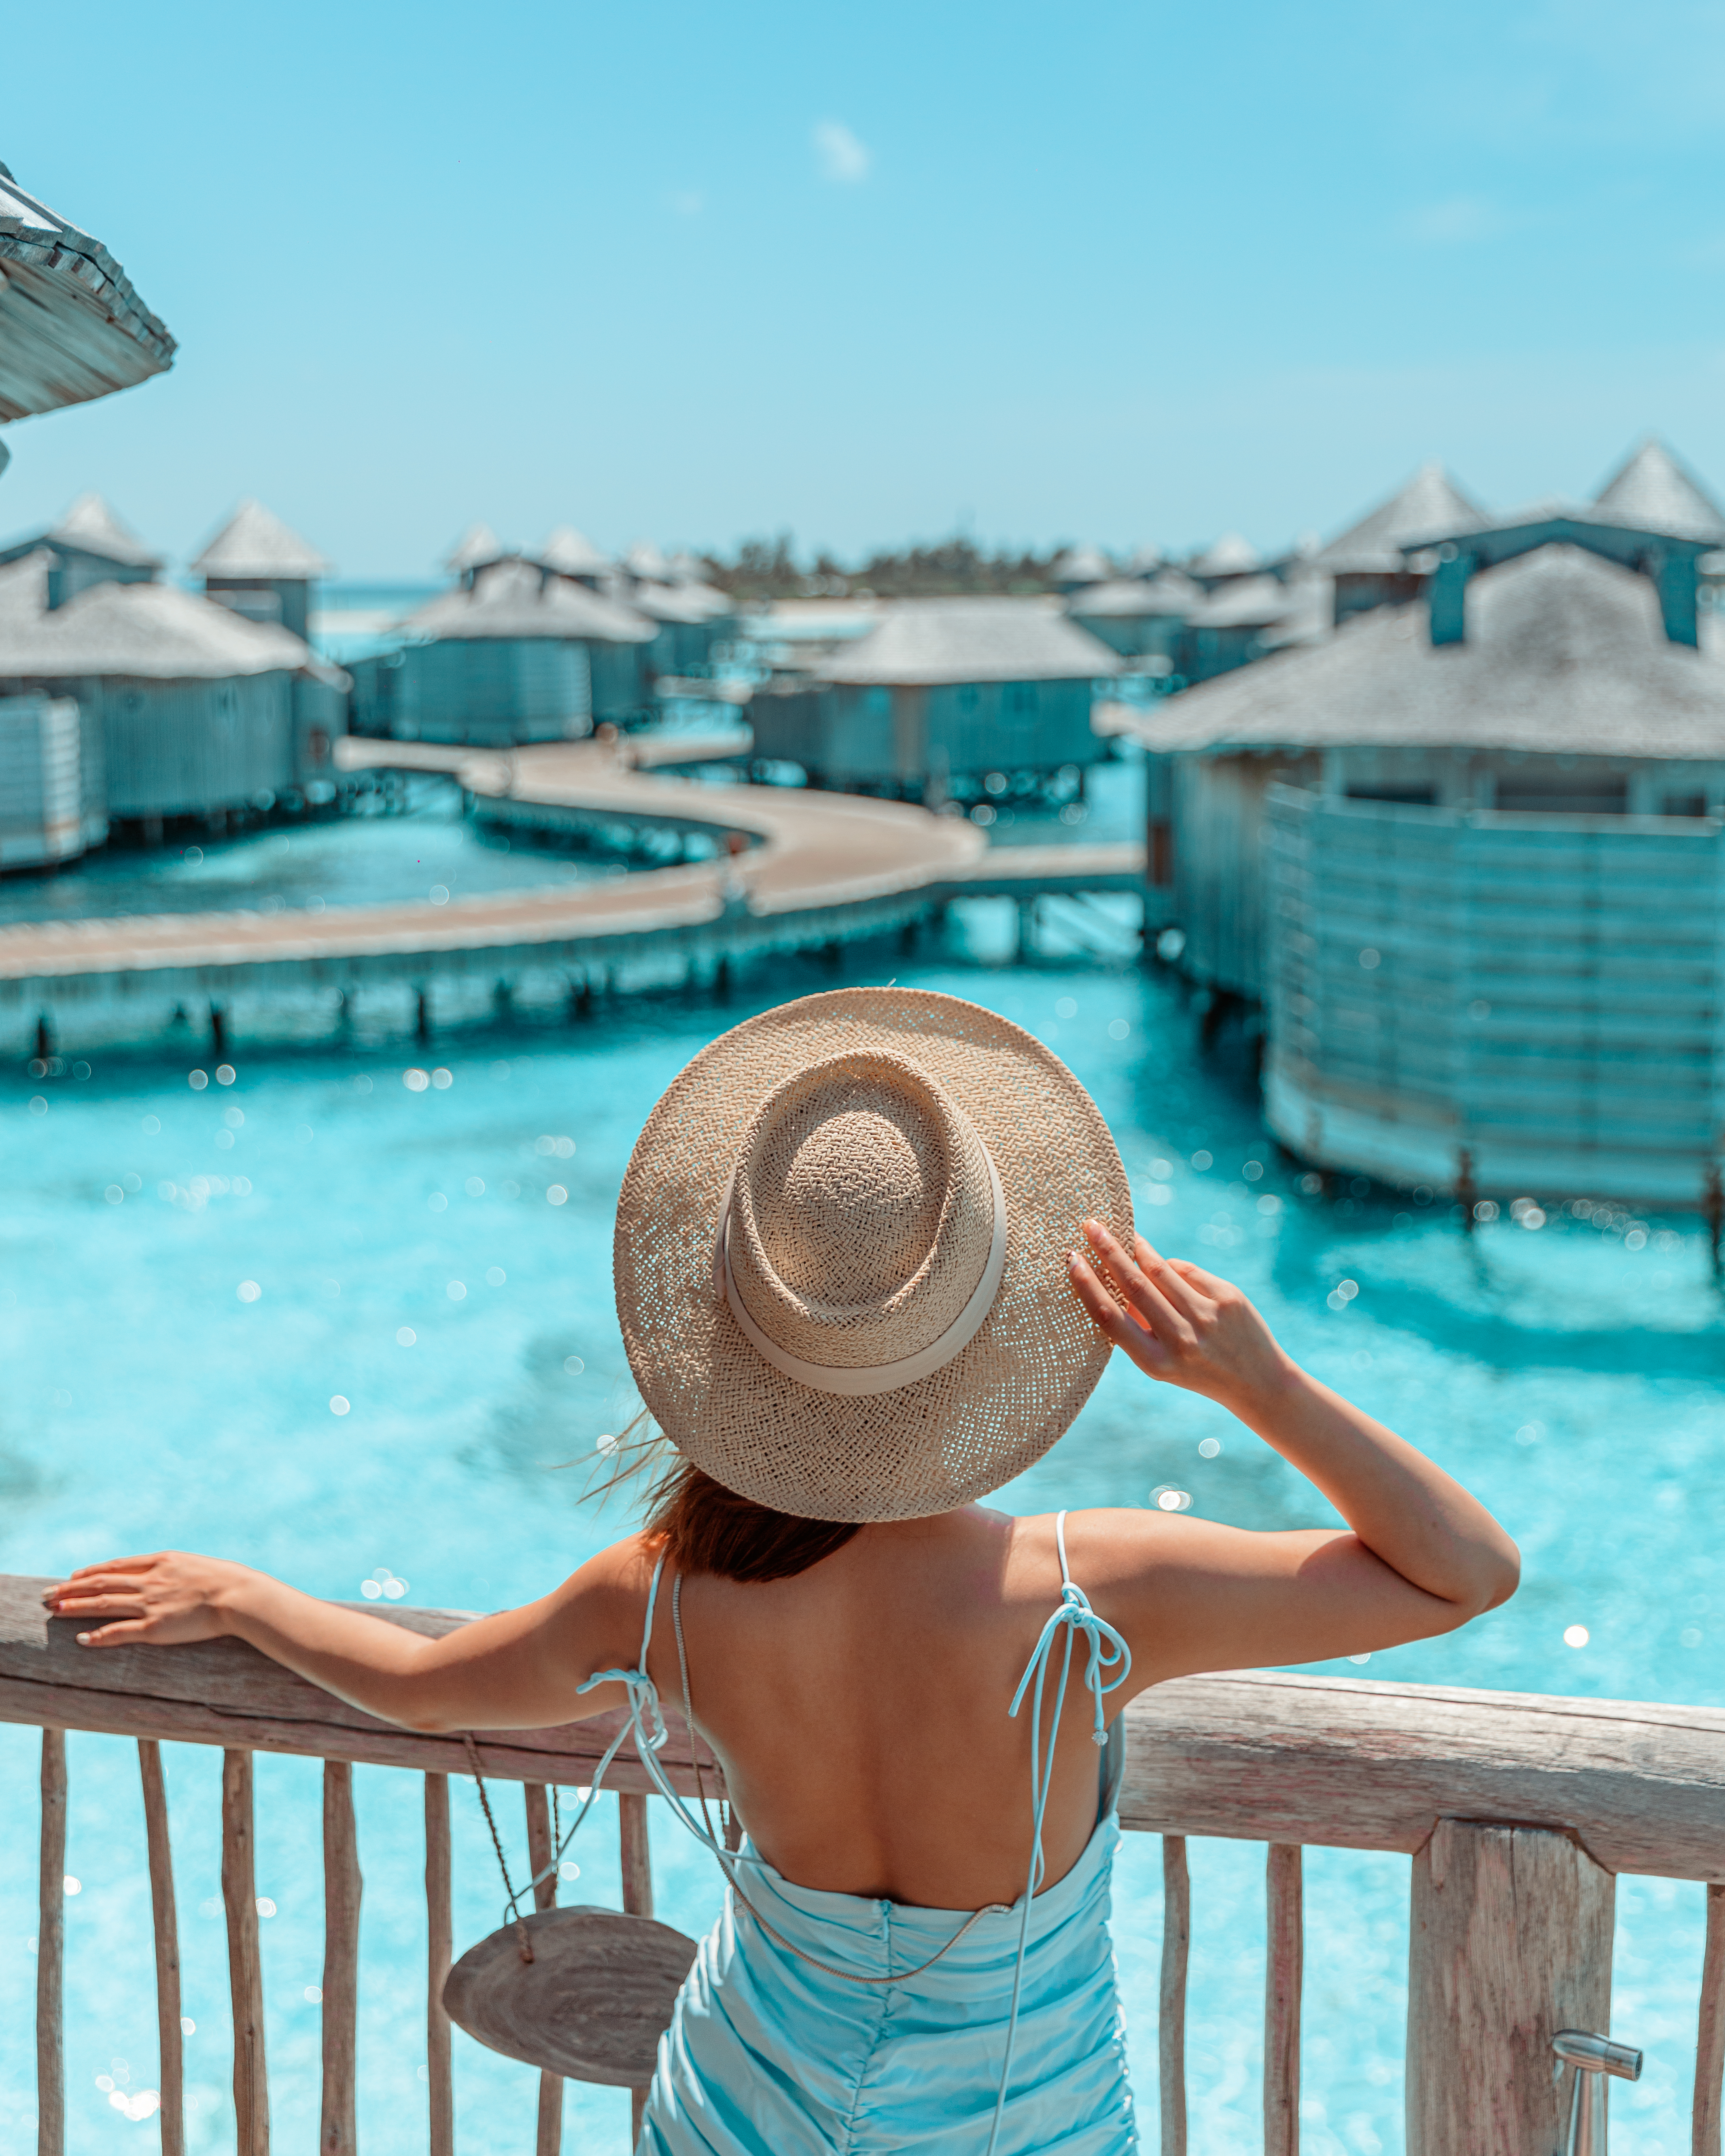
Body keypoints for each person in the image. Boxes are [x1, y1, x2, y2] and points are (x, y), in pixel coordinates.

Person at [44, 988, 1518, 2156]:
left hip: (734, 2113)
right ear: (994, 1334)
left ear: (746, 1353)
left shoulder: (673, 1592)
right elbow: (1463, 1571)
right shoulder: (1089, 1599)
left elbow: (428, 1685)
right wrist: (1259, 1383)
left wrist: (238, 1596)